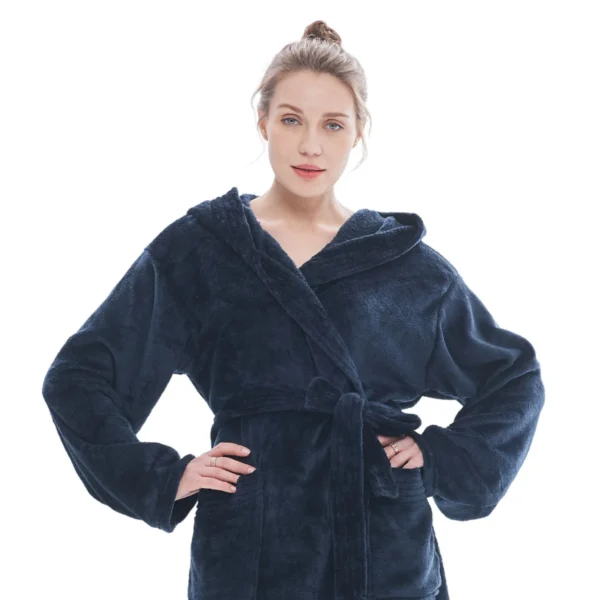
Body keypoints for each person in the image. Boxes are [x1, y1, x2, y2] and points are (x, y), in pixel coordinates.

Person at [41, 20, 545, 600]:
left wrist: (440, 458)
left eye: (333, 125)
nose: (310, 145)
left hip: (384, 552)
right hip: (249, 552)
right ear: (263, 122)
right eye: (290, 120)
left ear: (358, 133)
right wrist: (162, 477)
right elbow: (79, 378)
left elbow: (514, 378)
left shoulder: (408, 266)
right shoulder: (203, 248)